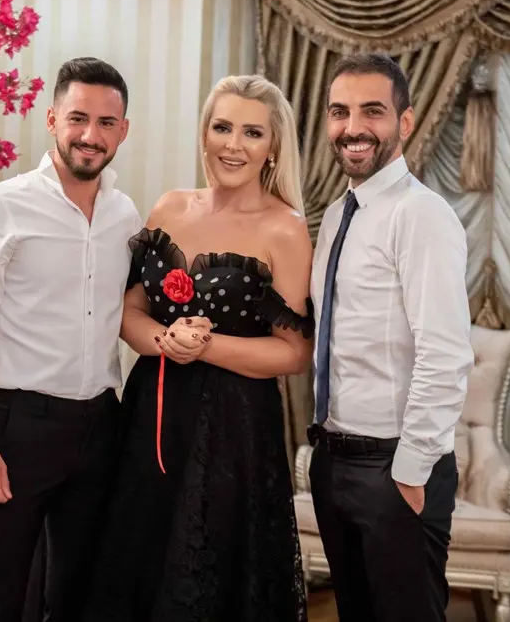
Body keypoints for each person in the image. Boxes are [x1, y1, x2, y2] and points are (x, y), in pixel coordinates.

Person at [85, 75, 314, 622]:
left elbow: (294, 353)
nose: (233, 145)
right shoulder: (169, 207)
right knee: (138, 563)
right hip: (151, 417)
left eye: (252, 132)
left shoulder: (285, 229)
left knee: (212, 574)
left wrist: (202, 347)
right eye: (222, 127)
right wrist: (166, 341)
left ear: (273, 147)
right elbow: (128, 313)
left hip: (235, 431)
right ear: (205, 133)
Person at [0, 57, 143, 622]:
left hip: (101, 425)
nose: (90, 135)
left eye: (106, 123)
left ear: (123, 131)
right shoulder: (1, 206)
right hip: (19, 428)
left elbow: (130, 313)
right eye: (78, 118)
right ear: (52, 118)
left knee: (83, 601)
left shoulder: (125, 216)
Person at [307, 53, 473, 622]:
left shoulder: (422, 214)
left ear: (405, 122)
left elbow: (445, 354)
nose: (352, 127)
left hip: (394, 468)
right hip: (332, 459)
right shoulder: (336, 215)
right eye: (339, 112)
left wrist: (410, 470)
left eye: (371, 111)